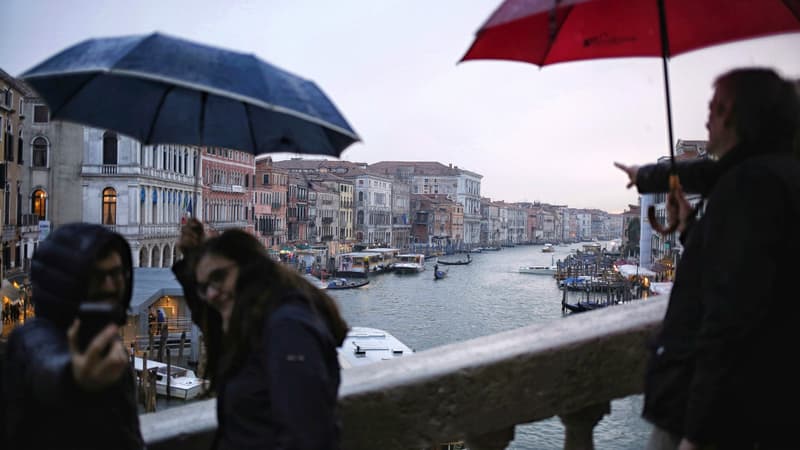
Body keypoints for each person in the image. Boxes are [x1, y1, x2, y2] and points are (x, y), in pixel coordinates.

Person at [617, 68, 800, 449]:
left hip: (718, 414)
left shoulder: (749, 186)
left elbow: (729, 318)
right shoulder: (777, 170)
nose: (706, 119)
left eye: (712, 107)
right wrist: (687, 228)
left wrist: (698, 433)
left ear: (731, 112)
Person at [173, 218, 348, 450]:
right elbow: (210, 321)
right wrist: (192, 258)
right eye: (205, 287)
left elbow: (307, 435)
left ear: (250, 267)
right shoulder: (255, 322)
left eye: (218, 278)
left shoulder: (288, 329)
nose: (212, 294)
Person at [1, 223, 143, 450]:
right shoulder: (30, 337)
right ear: (67, 282)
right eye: (98, 276)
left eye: (116, 274)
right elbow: (45, 361)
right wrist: (73, 377)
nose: (110, 285)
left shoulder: (108, 343)